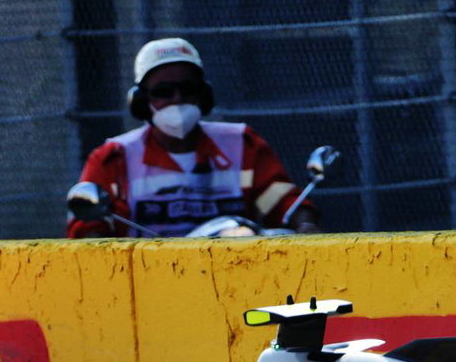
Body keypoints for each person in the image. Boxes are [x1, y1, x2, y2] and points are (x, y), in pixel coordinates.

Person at [66, 37, 320, 238]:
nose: (177, 99)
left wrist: (306, 226)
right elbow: (88, 232)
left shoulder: (242, 145)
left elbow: (283, 202)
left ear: (204, 95)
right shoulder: (114, 158)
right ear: (142, 102)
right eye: (164, 91)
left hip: (235, 271)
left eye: (188, 89)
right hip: (146, 281)